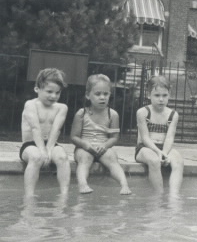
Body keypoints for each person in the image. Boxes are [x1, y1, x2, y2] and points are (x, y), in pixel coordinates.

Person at [70, 74, 131, 195]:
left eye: (106, 94)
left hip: (103, 146)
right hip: (84, 147)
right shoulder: (82, 114)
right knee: (85, 159)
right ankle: (83, 184)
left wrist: (105, 145)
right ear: (88, 95)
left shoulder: (112, 115)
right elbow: (74, 137)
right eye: (98, 94)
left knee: (112, 159)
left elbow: (114, 138)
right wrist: (85, 144)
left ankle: (124, 185)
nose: (102, 97)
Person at [20, 68, 71, 198]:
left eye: (57, 93)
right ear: (37, 89)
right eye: (49, 92)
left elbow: (56, 130)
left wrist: (49, 149)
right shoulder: (31, 105)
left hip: (50, 143)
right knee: (36, 157)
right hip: (30, 144)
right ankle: (29, 195)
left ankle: (64, 194)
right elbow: (35, 128)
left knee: (62, 157)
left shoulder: (61, 108)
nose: (53, 96)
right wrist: (42, 151)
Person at [135, 76, 184, 196]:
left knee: (178, 161)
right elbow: (145, 138)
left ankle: (174, 196)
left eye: (164, 95)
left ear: (169, 95)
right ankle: (159, 195)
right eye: (157, 96)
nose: (161, 99)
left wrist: (165, 153)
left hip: (165, 148)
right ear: (149, 95)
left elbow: (169, 137)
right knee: (154, 160)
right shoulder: (143, 112)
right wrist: (158, 152)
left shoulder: (173, 114)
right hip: (145, 148)